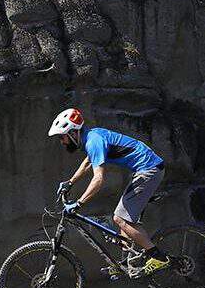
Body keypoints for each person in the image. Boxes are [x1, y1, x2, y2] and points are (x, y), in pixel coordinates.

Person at [49, 107, 170, 274]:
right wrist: (70, 182)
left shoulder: (93, 141)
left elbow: (98, 179)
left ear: (73, 133)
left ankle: (158, 257)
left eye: (62, 137)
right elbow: (88, 162)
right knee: (124, 218)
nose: (62, 142)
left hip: (149, 170)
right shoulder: (91, 137)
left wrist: (79, 203)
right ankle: (126, 263)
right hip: (146, 168)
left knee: (120, 219)